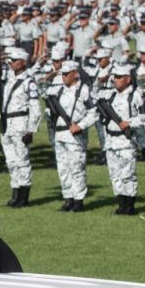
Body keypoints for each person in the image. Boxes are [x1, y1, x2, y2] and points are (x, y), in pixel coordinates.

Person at [95, 65, 145, 215]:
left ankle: (130, 206)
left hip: (125, 141)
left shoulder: (135, 95)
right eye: (114, 77)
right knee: (115, 174)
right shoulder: (110, 94)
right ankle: (121, 205)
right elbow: (93, 94)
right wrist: (99, 82)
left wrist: (129, 123)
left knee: (127, 174)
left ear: (128, 79)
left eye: (118, 77)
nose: (115, 80)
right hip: (111, 140)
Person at [47, 60, 98, 212]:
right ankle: (68, 198)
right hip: (60, 133)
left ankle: (79, 200)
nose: (63, 77)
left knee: (76, 167)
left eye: (66, 74)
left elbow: (93, 112)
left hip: (75, 134)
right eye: (62, 74)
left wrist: (81, 125)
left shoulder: (84, 90)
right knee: (63, 168)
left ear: (75, 74)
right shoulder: (59, 91)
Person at [0, 48, 42, 207]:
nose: (12, 63)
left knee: (22, 160)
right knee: (11, 161)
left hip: (20, 124)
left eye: (15, 60)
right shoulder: (8, 80)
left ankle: (24, 196)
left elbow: (35, 108)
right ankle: (15, 193)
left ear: (23, 62)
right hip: (6, 125)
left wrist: (31, 130)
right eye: (11, 61)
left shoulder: (28, 82)